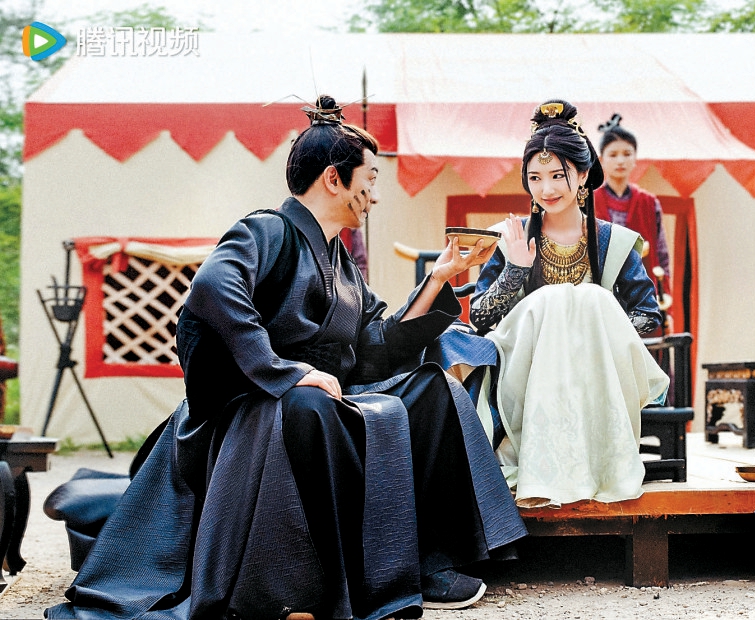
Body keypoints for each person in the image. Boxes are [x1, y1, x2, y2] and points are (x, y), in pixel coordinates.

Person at [46, 96, 526, 620]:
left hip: (322, 400)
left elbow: (376, 347)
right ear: (333, 179)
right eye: (370, 179)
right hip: (253, 408)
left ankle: (425, 562)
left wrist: (438, 278)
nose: (375, 195)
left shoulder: (343, 264)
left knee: (433, 389)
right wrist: (285, 373)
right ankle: (334, 583)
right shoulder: (265, 230)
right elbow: (211, 289)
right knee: (309, 406)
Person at [467, 100, 669, 509]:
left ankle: (598, 467)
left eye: (558, 175)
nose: (547, 189)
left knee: (589, 298)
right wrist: (515, 270)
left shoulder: (612, 241)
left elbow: (648, 314)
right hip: (525, 369)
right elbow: (480, 317)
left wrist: (593, 327)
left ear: (582, 176)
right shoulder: (512, 236)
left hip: (595, 369)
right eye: (535, 178)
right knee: (560, 299)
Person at [594, 114, 672, 295]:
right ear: (601, 159)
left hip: (642, 291)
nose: (620, 161)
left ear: (635, 158)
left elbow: (661, 255)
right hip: (600, 291)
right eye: (613, 155)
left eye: (627, 154)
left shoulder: (649, 203)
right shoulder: (589, 202)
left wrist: (664, 293)